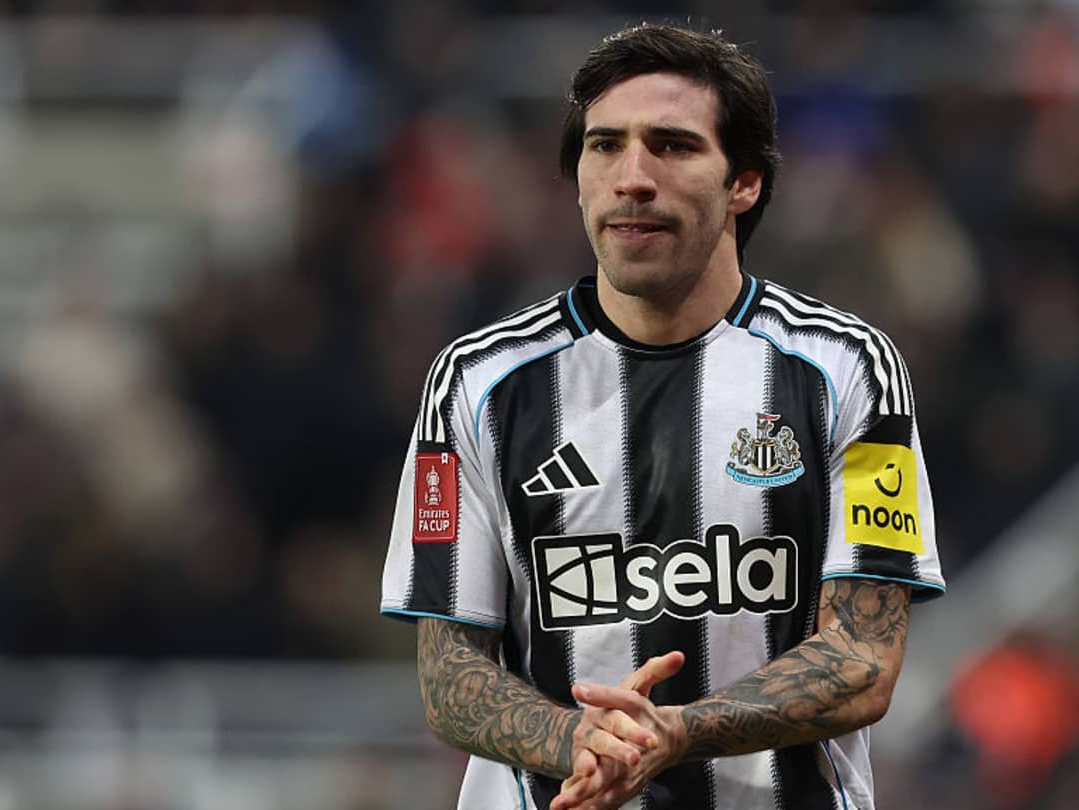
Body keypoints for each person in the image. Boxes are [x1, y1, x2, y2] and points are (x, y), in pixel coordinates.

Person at [379, 23, 946, 810]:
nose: (632, 177)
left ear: (743, 182)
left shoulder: (850, 371)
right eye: (605, 146)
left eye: (672, 146)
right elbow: (448, 672)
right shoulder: (473, 384)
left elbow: (861, 657)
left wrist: (675, 732)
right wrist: (578, 740)